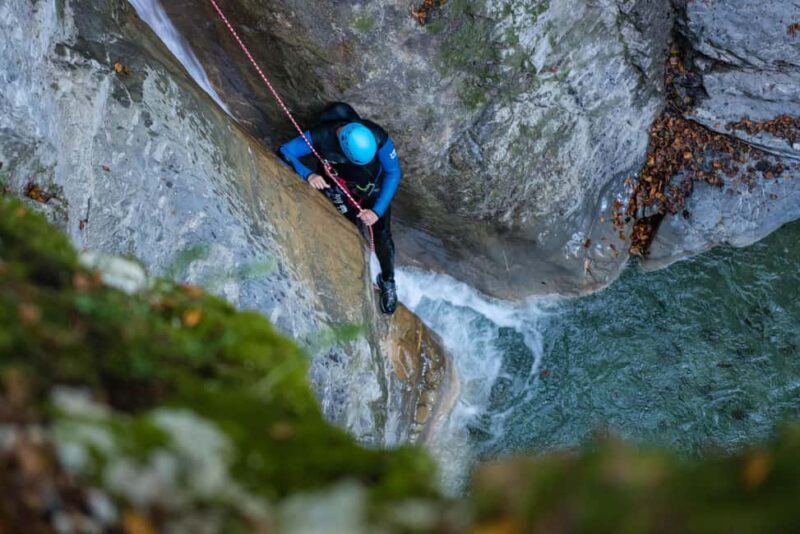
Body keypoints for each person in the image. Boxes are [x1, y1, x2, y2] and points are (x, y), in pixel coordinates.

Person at [278, 103, 402, 315]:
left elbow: (393, 172)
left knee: (383, 236)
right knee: (347, 226)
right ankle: (353, 259)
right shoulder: (320, 136)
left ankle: (388, 281)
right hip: (339, 188)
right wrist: (308, 174)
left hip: (374, 190)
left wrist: (377, 210)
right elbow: (286, 150)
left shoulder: (377, 135)